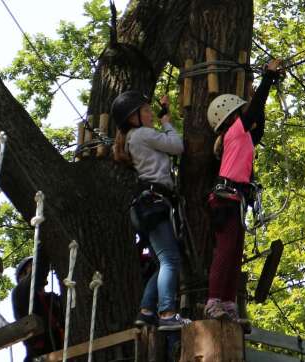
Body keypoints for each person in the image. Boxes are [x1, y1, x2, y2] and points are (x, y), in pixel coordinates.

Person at [205, 59, 283, 321]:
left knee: (235, 253)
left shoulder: (244, 136)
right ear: (231, 117)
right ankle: (213, 300)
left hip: (234, 199)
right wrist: (267, 77)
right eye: (241, 112)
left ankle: (227, 303)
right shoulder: (234, 132)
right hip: (226, 199)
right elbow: (255, 110)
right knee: (226, 251)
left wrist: (259, 88)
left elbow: (257, 120)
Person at [112, 90, 189, 331]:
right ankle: (166, 313)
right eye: (145, 111)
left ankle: (146, 311)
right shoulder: (143, 134)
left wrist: (164, 113)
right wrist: (167, 123)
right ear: (133, 117)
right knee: (170, 260)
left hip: (146, 206)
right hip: (154, 204)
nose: (150, 115)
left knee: (162, 262)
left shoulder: (134, 137)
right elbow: (177, 147)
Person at [11, 245, 64, 361]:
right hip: (40, 357)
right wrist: (43, 242)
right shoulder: (20, 293)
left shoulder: (53, 299)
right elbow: (39, 270)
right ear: (23, 275)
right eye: (32, 266)